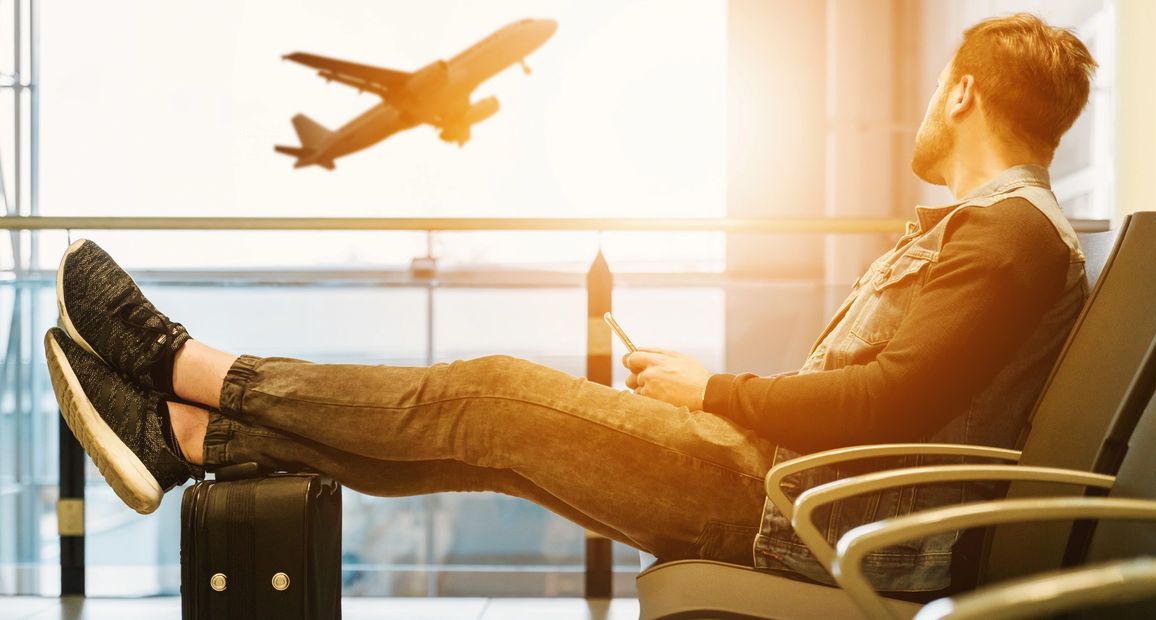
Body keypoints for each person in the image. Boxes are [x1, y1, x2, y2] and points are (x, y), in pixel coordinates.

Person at [45, 13, 1096, 594]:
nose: (923, 109)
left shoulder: (1006, 236)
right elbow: (888, 399)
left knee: (491, 395)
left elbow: (887, 406)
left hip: (799, 515)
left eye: (933, 91)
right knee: (492, 440)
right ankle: (190, 434)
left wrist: (716, 388)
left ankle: (184, 367)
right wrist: (717, 396)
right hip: (794, 494)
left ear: (960, 91)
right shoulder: (998, 234)